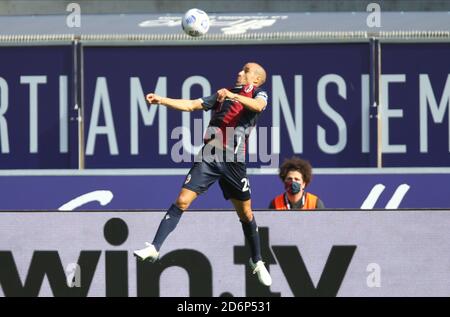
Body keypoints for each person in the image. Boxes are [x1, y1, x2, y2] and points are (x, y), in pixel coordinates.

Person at [133, 62, 272, 287]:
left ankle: (257, 261)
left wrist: (232, 97)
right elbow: (191, 105)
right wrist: (162, 100)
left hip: (233, 162)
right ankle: (155, 247)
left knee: (245, 213)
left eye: (245, 71)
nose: (239, 72)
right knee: (182, 200)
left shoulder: (258, 93)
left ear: (255, 79)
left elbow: (257, 106)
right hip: (209, 155)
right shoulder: (222, 95)